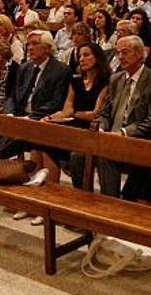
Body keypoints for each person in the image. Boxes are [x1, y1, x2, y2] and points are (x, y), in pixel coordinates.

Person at [97, 35, 151, 199]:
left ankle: (111, 205)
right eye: (118, 52)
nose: (120, 57)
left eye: (125, 52)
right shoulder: (116, 78)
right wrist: (100, 127)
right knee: (78, 155)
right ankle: (85, 205)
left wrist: (123, 133)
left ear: (139, 54)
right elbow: (105, 112)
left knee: (106, 157)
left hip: (136, 139)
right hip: (109, 136)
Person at [0, 30, 71, 159]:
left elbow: (55, 103)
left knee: (7, 141)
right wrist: (10, 114)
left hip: (39, 120)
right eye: (28, 44)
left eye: (35, 44)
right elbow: (12, 96)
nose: (30, 48)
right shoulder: (25, 68)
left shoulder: (61, 70)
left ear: (47, 48)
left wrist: (29, 118)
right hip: (18, 116)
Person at [42, 43, 110, 188]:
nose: (81, 59)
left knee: (61, 142)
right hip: (74, 122)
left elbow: (95, 114)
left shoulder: (105, 82)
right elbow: (67, 109)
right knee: (44, 137)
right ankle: (48, 192)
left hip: (90, 128)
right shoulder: (76, 81)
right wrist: (51, 118)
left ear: (97, 58)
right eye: (79, 56)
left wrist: (75, 114)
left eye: (86, 55)